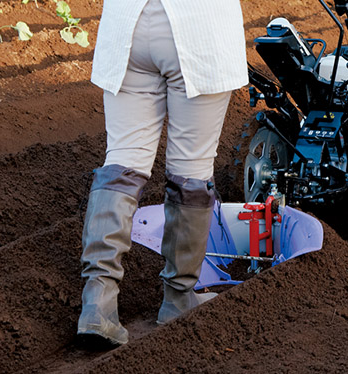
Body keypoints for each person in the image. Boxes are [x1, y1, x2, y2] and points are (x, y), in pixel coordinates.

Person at [77, 0, 248, 346]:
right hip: (198, 25)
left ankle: (98, 303)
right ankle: (179, 296)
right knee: (192, 167)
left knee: (122, 160)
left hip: (127, 25)